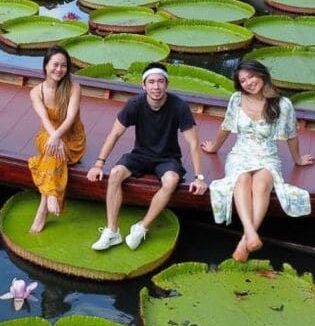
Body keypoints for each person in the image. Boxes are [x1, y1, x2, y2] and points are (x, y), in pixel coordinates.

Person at [201, 60, 315, 262]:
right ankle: (251, 234)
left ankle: (245, 240)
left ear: (261, 75)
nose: (248, 83)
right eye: (242, 80)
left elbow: (291, 134)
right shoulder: (237, 99)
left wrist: (298, 159)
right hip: (240, 153)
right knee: (242, 179)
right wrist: (214, 148)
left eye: (250, 77)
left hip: (267, 155)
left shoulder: (282, 104)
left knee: (261, 185)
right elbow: (226, 126)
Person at [87, 62, 207, 251]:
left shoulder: (179, 106)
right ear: (144, 85)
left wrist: (199, 178)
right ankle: (112, 231)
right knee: (116, 173)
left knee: (171, 180)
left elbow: (193, 142)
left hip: (167, 158)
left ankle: (141, 227)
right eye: (151, 82)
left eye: (160, 82)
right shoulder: (135, 104)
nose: (156, 86)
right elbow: (114, 134)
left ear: (167, 84)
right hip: (140, 154)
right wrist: (98, 164)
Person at [27, 46, 86, 233]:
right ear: (45, 66)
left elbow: (70, 118)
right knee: (53, 149)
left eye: (63, 66)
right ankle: (50, 197)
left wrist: (57, 138)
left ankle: (43, 206)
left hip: (72, 137)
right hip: (48, 134)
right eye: (55, 65)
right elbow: (44, 118)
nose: (59, 69)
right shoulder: (36, 92)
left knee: (52, 152)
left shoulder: (73, 88)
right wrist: (54, 138)